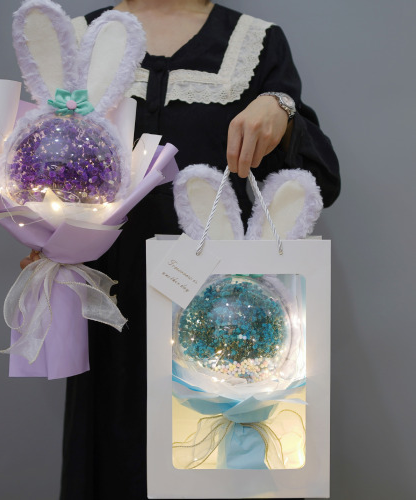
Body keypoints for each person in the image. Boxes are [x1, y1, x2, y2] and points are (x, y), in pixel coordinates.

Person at [22, 1, 340, 498]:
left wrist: (281, 110)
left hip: (224, 324)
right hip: (108, 315)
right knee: (114, 467)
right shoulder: (81, 39)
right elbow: (36, 162)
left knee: (214, 470)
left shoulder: (255, 42)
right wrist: (43, 234)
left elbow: (319, 179)